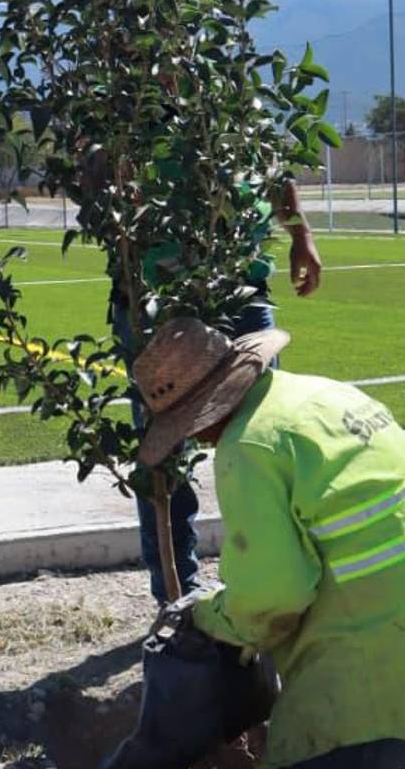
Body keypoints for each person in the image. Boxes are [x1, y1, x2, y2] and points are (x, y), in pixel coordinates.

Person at [123, 318, 405, 768]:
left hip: (375, 670)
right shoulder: (323, 396)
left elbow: (270, 600)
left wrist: (206, 615)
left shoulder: (250, 446)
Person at [105, 170, 322, 603]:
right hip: (155, 298)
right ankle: (177, 599)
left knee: (268, 435)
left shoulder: (243, 120)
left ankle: (276, 585)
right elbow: (98, 173)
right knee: (164, 454)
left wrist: (301, 234)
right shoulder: (129, 124)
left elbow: (272, 166)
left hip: (244, 289)